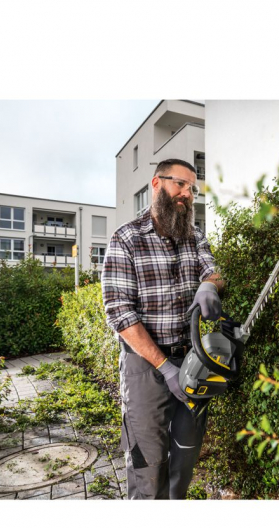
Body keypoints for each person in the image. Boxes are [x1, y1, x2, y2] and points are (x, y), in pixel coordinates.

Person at [101, 158, 225, 499]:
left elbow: (213, 271)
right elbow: (119, 313)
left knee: (185, 460)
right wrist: (165, 367)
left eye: (192, 189)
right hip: (145, 368)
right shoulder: (126, 238)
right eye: (180, 184)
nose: (187, 193)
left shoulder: (194, 236)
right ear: (157, 184)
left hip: (192, 362)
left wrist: (210, 285)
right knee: (148, 466)